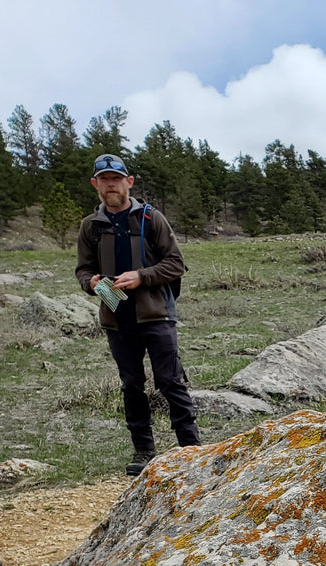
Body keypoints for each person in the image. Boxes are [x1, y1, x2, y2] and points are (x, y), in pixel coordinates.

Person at [75, 153, 199, 475]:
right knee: (131, 385)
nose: (111, 185)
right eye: (104, 180)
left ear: (128, 182)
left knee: (170, 381)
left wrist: (141, 276)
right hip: (116, 317)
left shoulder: (150, 218)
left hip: (157, 315)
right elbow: (82, 269)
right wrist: (90, 282)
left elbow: (176, 264)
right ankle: (144, 451)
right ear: (96, 185)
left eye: (117, 179)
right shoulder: (90, 226)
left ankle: (192, 448)